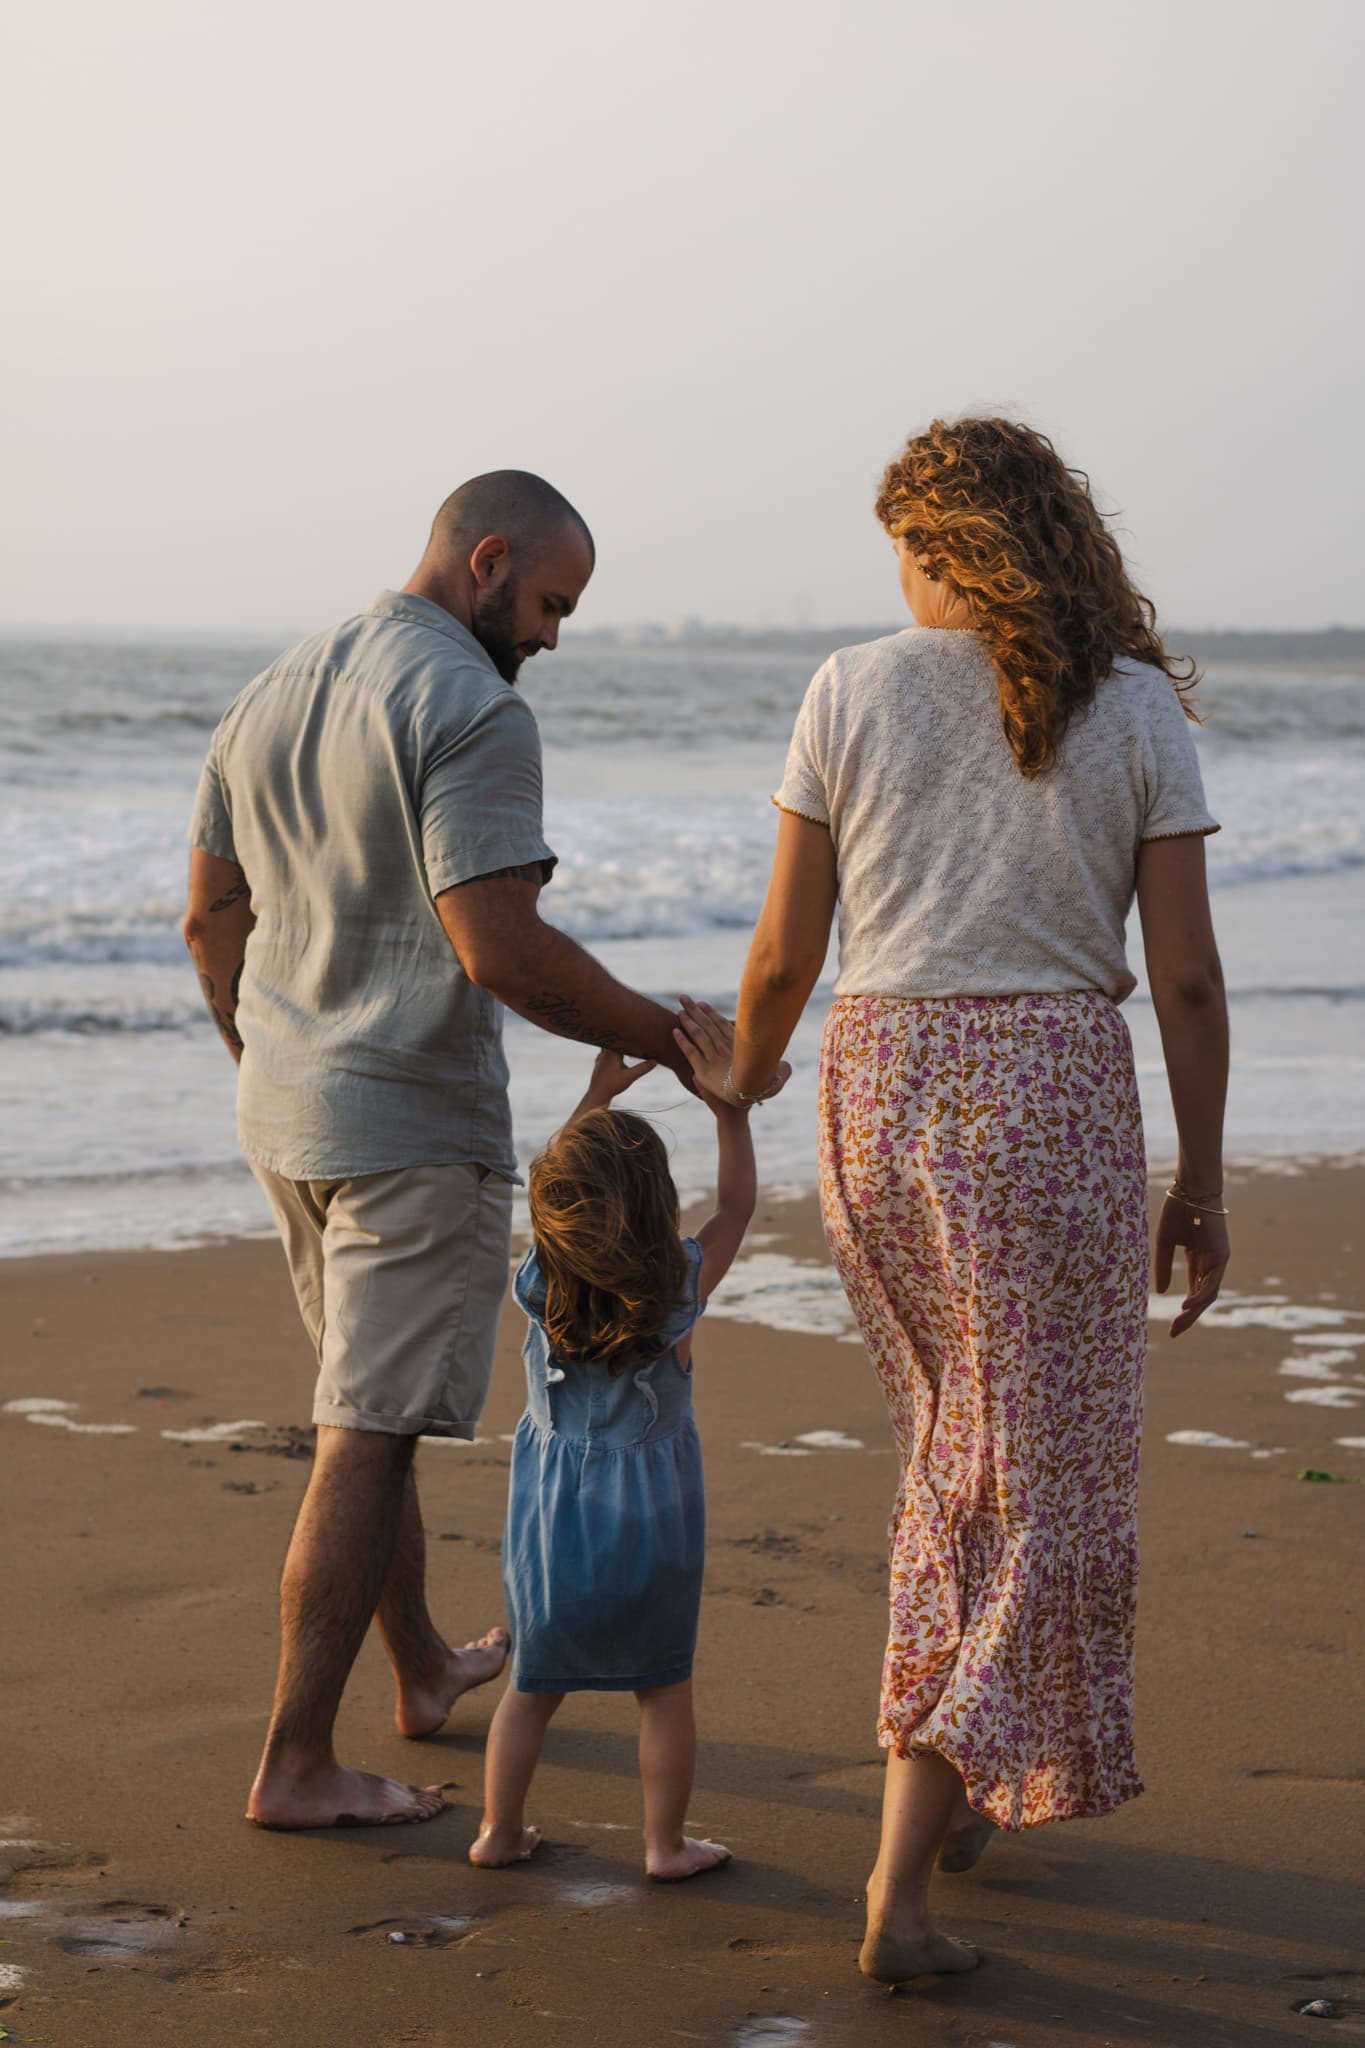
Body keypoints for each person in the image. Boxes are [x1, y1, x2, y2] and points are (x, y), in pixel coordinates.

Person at [681, 417, 1231, 1982]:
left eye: (907, 554)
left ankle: (966, 1779)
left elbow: (787, 955)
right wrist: (1197, 1170)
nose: (901, 583)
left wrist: (749, 1076)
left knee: (957, 1443)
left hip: (878, 1089)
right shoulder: (1126, 707)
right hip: (1048, 1091)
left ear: (947, 550)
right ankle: (902, 1886)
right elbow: (1183, 977)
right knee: (1032, 1474)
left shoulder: (848, 689)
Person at [183, 471, 706, 1831]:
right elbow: (501, 948)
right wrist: (669, 1034)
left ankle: (417, 1667)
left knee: (379, 1406)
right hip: (408, 1128)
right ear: (486, 561)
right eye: (548, 603)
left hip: (290, 1117)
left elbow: (207, 918)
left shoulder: (274, 690)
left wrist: (259, 1057)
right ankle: (296, 1761)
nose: (549, 636)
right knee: (363, 1433)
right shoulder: (473, 708)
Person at [469, 1017, 755, 1881]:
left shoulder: (538, 1282)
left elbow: (552, 1193)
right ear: (657, 1206)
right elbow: (738, 1205)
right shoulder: (678, 1287)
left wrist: (594, 1096)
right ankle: (664, 1846)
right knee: (661, 1691)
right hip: (654, 1530)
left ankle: (497, 1831)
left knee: (532, 1690)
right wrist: (727, 1110)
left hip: (553, 1527)